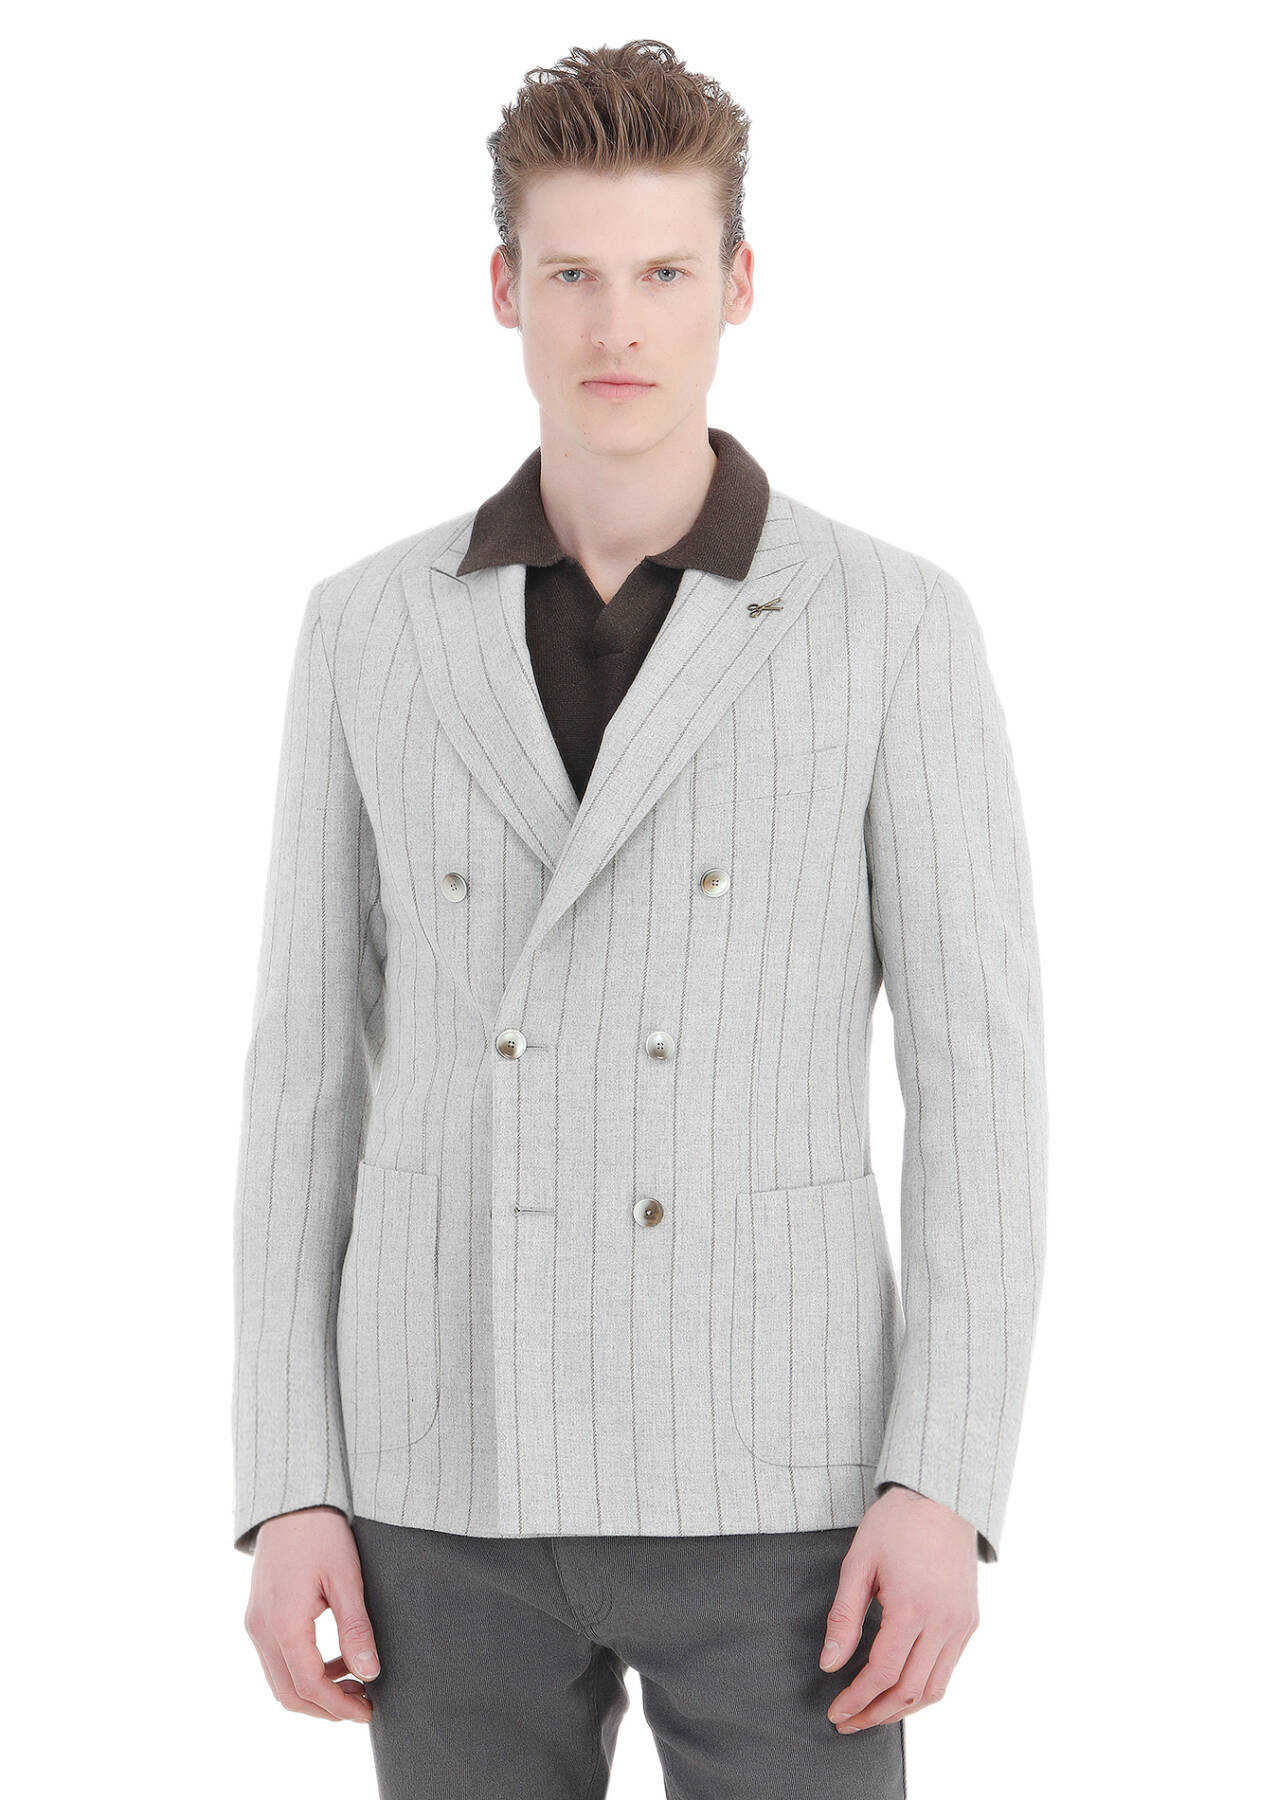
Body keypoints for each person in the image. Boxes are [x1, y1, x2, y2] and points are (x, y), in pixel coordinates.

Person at [232, 38, 1048, 1799]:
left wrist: (945, 1476)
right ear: (504, 289)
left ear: (738, 286)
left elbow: (979, 1085)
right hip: (440, 1468)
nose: (619, 327)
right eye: (575, 276)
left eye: (666, 274)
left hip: (781, 1474)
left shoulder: (890, 624)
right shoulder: (368, 628)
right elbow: (302, 1084)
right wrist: (288, 1481)